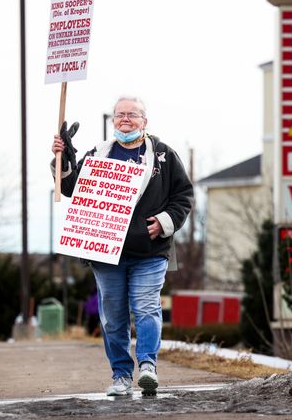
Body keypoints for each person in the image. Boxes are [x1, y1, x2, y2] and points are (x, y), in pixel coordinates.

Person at [51, 96, 193, 396]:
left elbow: (183, 195)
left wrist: (165, 221)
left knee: (146, 308)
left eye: (132, 114)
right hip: (105, 254)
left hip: (150, 251)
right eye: (119, 115)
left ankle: (147, 366)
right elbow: (69, 187)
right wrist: (62, 159)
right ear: (113, 120)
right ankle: (121, 375)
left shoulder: (164, 156)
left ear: (145, 120)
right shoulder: (98, 154)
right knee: (113, 318)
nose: (125, 119)